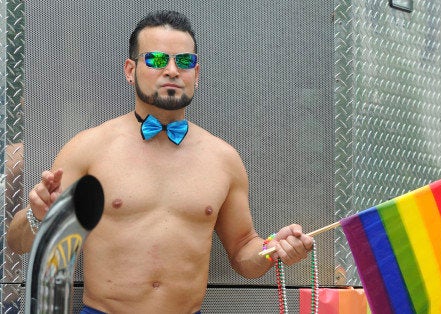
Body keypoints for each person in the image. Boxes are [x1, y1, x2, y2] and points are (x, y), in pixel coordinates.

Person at [6, 10, 313, 313]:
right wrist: (37, 215)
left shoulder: (223, 160)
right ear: (130, 69)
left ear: (197, 73)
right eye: (155, 59)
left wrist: (273, 248)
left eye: (184, 61)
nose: (171, 70)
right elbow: (17, 243)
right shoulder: (88, 149)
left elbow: (243, 251)